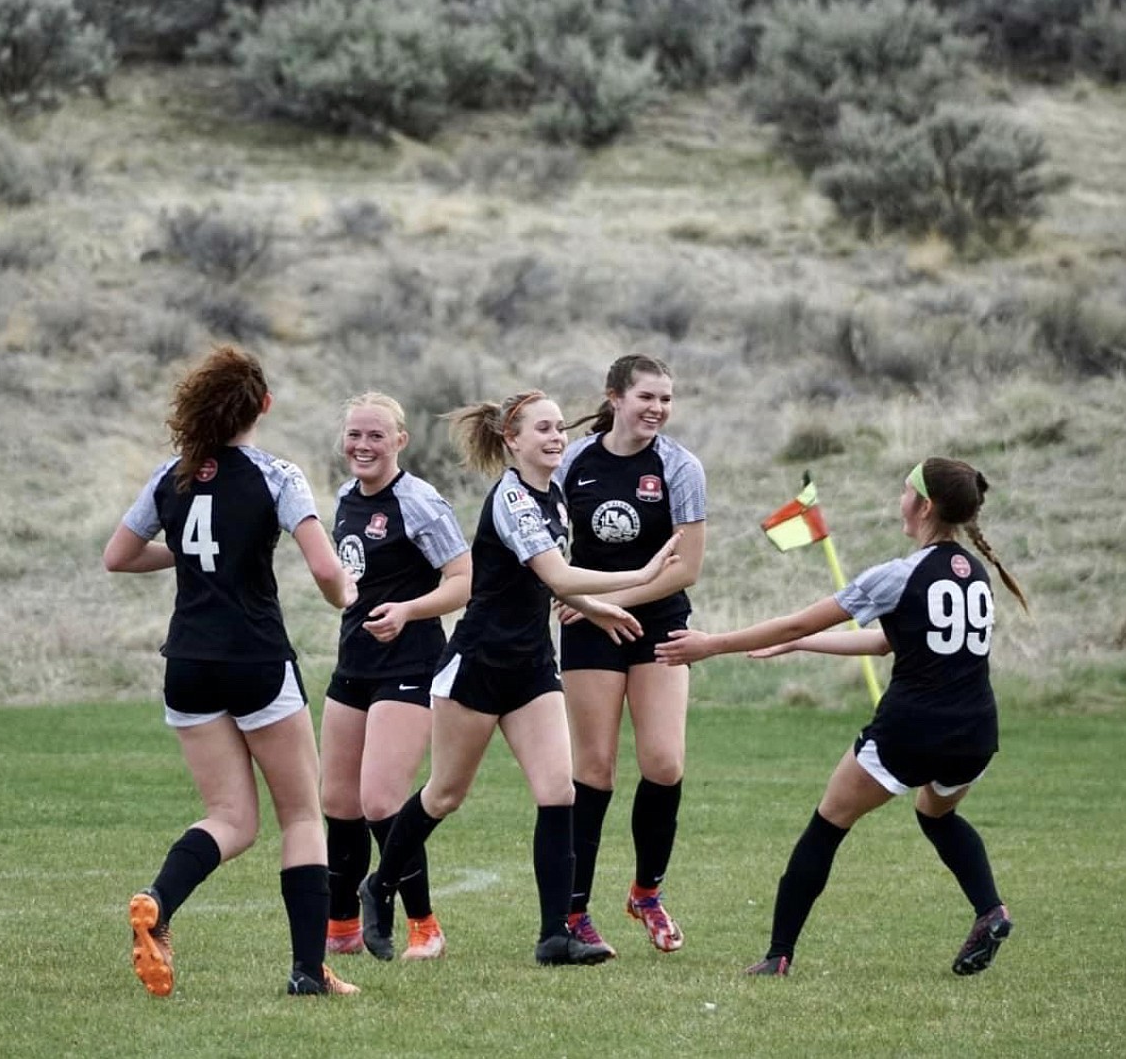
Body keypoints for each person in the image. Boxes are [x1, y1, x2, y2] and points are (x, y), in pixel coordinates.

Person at [656, 457, 1028, 977]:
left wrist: (711, 644)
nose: (899, 500)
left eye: (904, 492)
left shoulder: (898, 575)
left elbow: (797, 620)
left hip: (911, 729)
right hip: (976, 732)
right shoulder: (975, 573)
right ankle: (992, 910)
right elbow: (885, 642)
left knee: (826, 827)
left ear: (923, 505)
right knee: (936, 815)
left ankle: (777, 955)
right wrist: (802, 646)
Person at [358, 390, 682, 966]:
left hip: (532, 667)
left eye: (560, 428)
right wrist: (644, 573)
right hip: (478, 666)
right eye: (543, 430)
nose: (557, 437)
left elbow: (551, 585)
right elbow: (556, 570)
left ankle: (555, 935)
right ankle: (380, 886)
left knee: (558, 792)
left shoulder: (553, 493)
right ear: (512, 441)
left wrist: (601, 608)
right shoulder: (511, 498)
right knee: (445, 794)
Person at [103, 344, 361, 998]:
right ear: (263, 407)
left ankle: (159, 901)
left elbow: (119, 555)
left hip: (186, 663)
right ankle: (308, 972)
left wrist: (189, 564)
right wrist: (347, 596)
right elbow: (328, 569)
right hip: (255, 660)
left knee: (229, 817)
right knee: (301, 816)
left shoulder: (172, 475)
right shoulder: (277, 475)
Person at [553, 354, 706, 957]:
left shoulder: (680, 467)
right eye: (646, 397)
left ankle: (646, 891)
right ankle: (573, 913)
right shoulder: (572, 462)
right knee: (594, 770)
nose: (657, 409)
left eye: (666, 399)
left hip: (658, 620)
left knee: (664, 763)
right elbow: (539, 547)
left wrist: (608, 597)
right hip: (588, 627)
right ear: (613, 397)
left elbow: (686, 568)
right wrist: (582, 602)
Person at [320, 393, 472, 963]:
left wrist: (407, 610)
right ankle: (341, 927)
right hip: (353, 663)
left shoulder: (419, 502)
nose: (362, 445)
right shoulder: (341, 499)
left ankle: (424, 926)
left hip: (409, 665)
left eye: (376, 436)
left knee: (381, 800)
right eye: (355, 435)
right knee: (338, 802)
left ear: (400, 441)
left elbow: (463, 580)